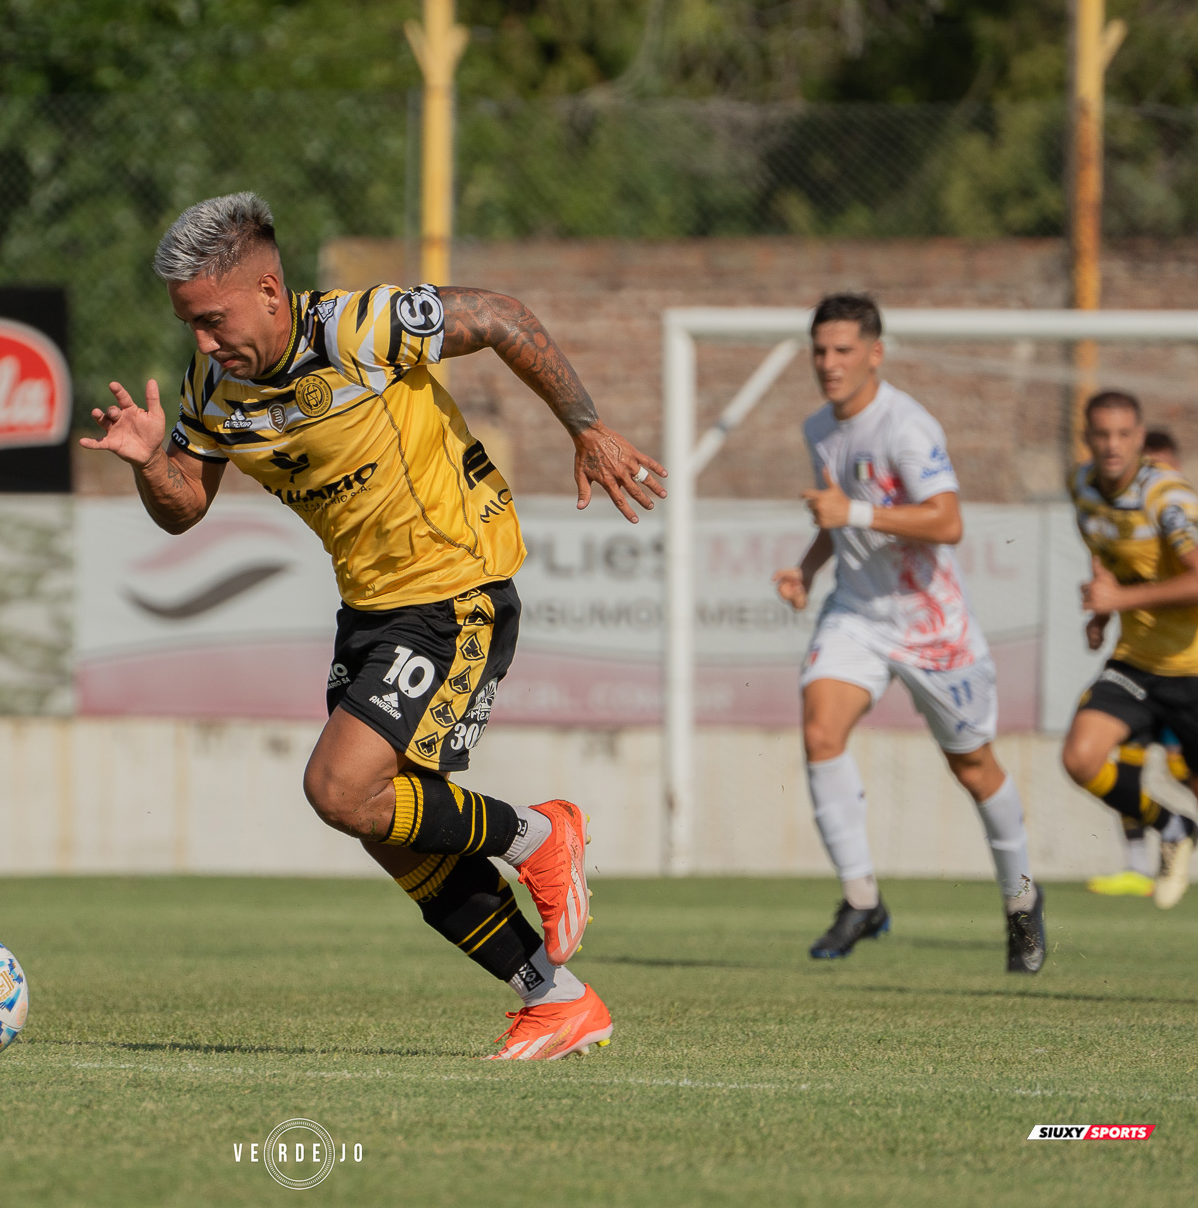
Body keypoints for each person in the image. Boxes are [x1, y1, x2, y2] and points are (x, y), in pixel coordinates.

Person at [82, 192, 667, 1059]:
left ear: (271, 291)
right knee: (383, 825)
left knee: (338, 791)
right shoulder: (215, 386)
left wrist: (586, 428)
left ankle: (542, 835)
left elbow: (503, 318)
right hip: (370, 611)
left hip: (454, 591)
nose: (202, 342)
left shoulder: (361, 328)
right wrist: (147, 461)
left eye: (212, 320)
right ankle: (558, 999)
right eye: (189, 326)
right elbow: (183, 511)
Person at [772, 292, 1046, 973]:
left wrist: (854, 513)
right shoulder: (819, 429)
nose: (829, 365)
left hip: (931, 625)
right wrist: (808, 567)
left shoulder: (906, 426)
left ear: (875, 354)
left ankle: (1021, 899)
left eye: (842, 351)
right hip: (858, 615)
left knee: (973, 767)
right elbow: (839, 519)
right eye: (820, 352)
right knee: (819, 730)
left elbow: (946, 522)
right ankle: (862, 898)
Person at [1062, 393, 1198, 909]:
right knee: (1080, 757)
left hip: (1193, 666)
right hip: (1137, 663)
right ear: (1088, 437)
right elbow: (1105, 551)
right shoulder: (1081, 486)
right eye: (1102, 434)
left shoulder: (1168, 498)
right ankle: (1173, 826)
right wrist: (1101, 612)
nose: (1112, 446)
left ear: (1141, 437)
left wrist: (1120, 600)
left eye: (1123, 435)